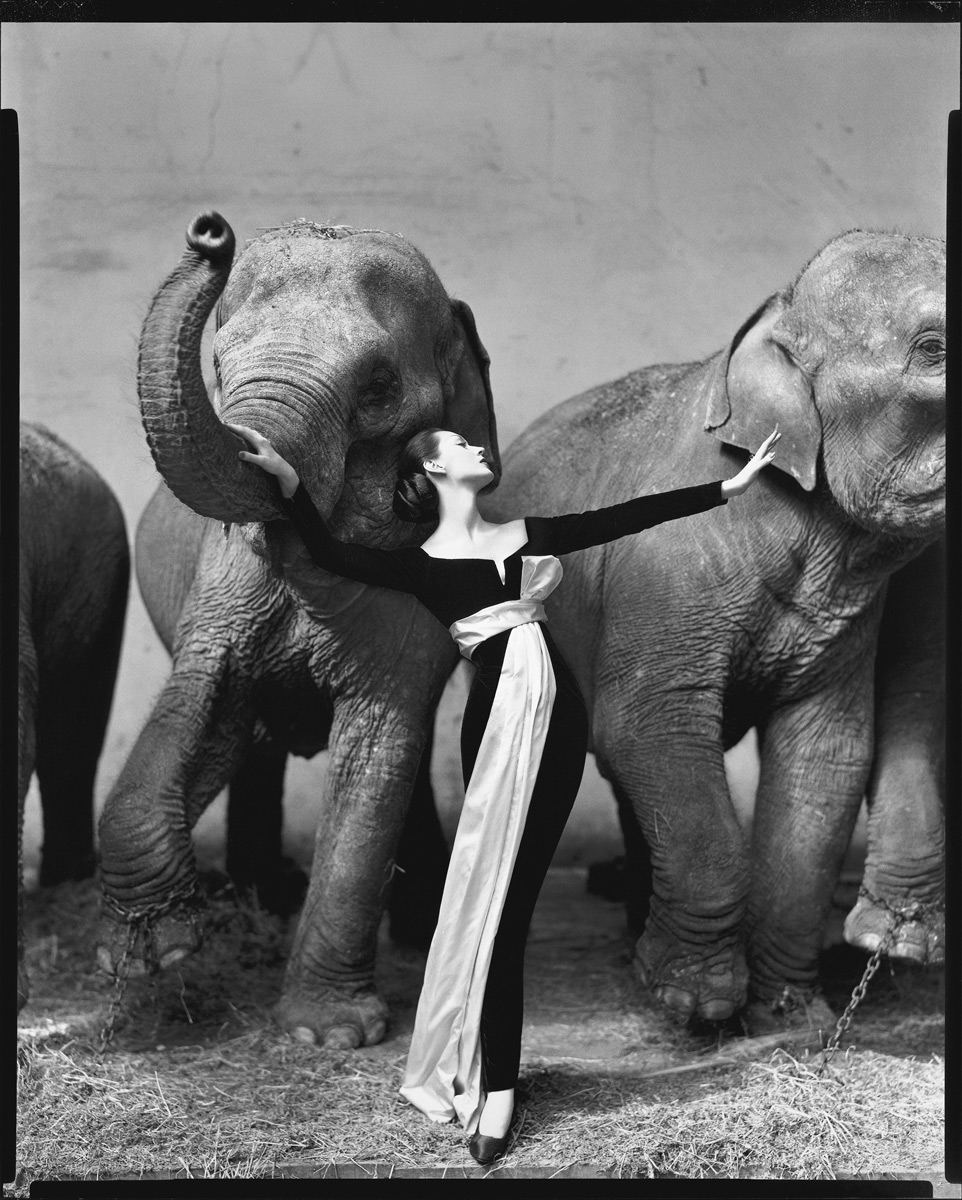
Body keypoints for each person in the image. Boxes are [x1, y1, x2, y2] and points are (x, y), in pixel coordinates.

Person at [228, 420, 780, 1165]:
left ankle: (499, 1086)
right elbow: (326, 551)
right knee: (499, 914)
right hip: (496, 725)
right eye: (459, 446)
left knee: (512, 903)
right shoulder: (419, 563)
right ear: (432, 472)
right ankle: (496, 1091)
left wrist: (728, 488)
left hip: (557, 721)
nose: (478, 450)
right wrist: (291, 487)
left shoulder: (525, 533)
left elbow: (623, 518)